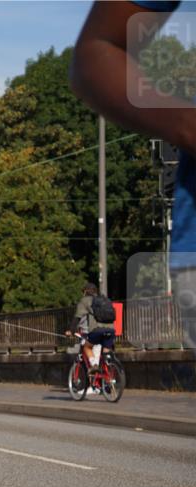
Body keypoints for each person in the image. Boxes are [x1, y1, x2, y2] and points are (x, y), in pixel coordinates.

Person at [70, 1, 195, 349]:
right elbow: (96, 53)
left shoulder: (90, 305)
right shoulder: (94, 306)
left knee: (91, 351)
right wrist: (187, 125)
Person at [65, 282, 116, 372]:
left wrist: (71, 331)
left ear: (85, 291)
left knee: (87, 347)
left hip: (97, 331)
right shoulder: (104, 299)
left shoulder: (85, 301)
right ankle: (109, 373)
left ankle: (94, 365)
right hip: (111, 330)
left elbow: (77, 318)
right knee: (105, 354)